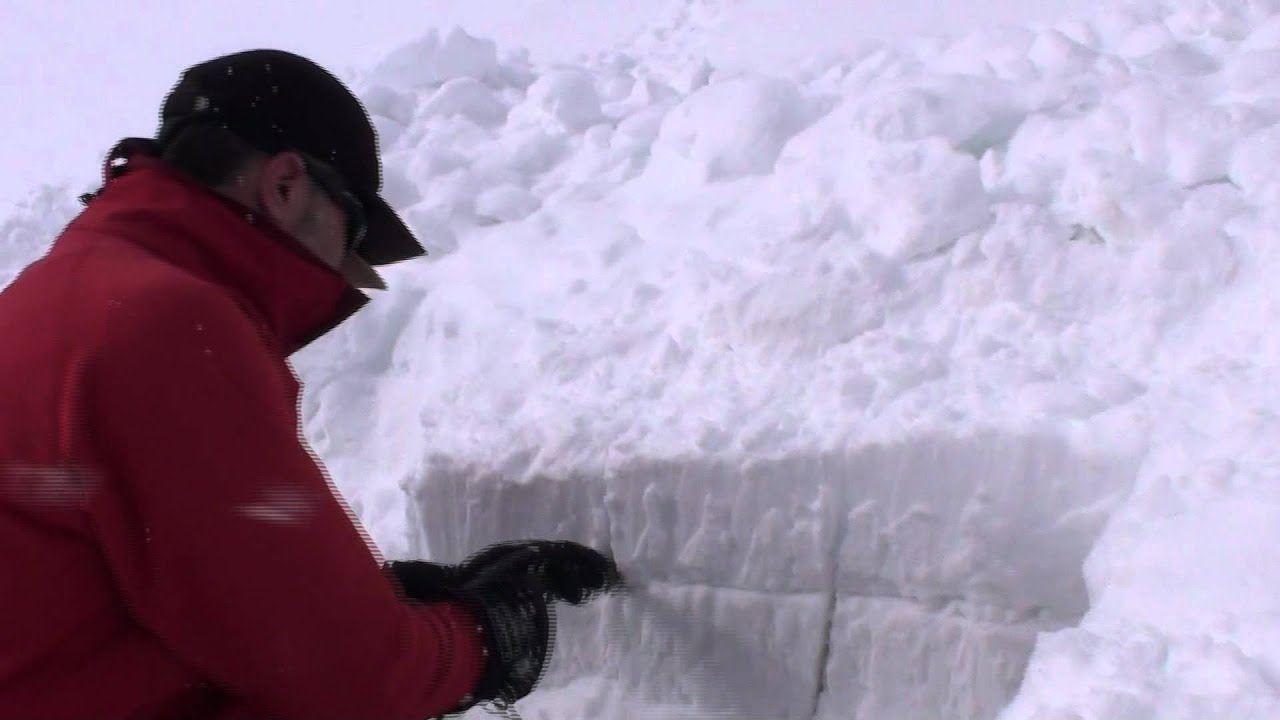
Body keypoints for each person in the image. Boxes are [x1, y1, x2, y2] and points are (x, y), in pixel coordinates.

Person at [0, 49, 619, 720]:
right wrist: (483, 640)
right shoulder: (167, 326)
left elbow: (150, 590)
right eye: (349, 233)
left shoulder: (55, 298)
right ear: (286, 185)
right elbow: (351, 683)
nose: (342, 270)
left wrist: (385, 605)